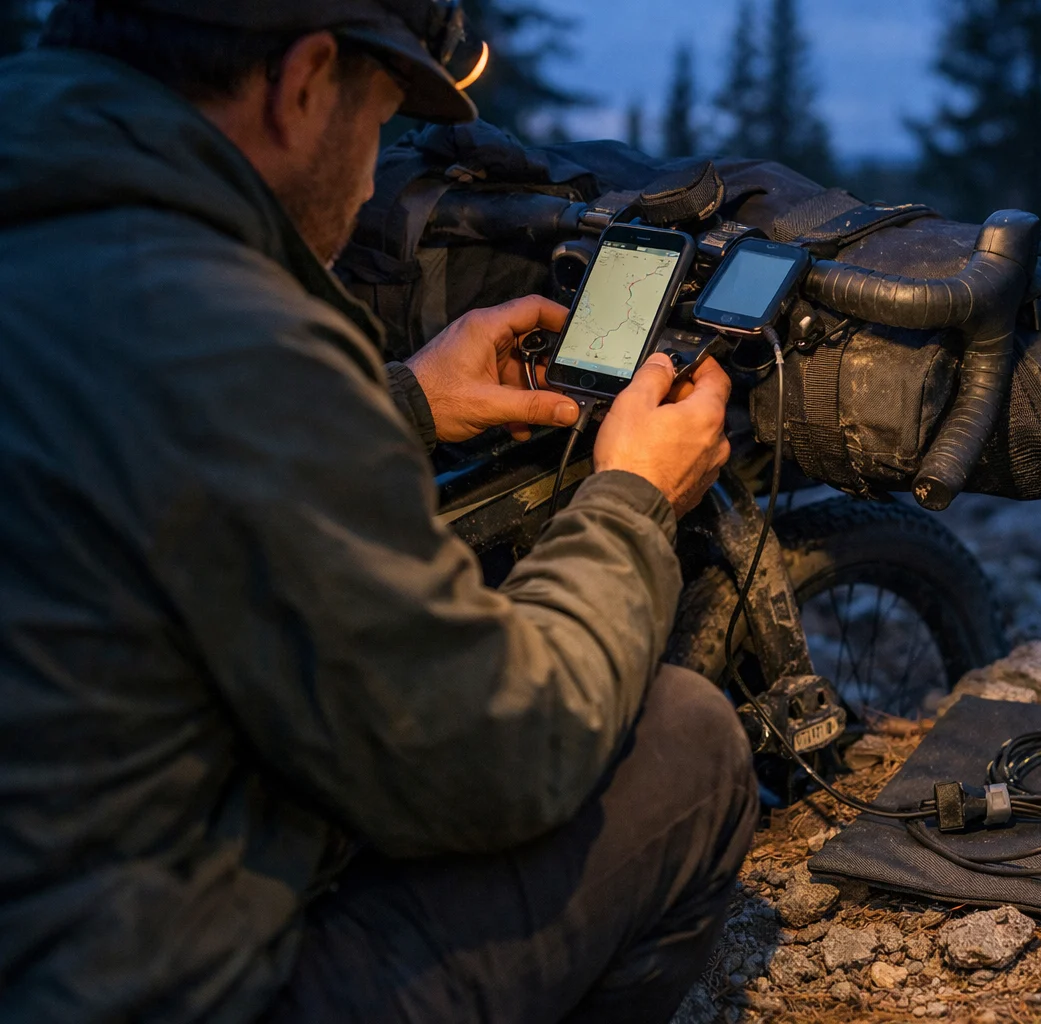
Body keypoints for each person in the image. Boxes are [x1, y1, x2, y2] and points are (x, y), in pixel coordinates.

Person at [0, 2, 757, 1022]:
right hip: (131, 989)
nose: (372, 175)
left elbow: (129, 461)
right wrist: (630, 498)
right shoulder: (225, 330)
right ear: (306, 82)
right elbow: (507, 750)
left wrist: (396, 402)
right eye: (383, 116)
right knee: (691, 746)